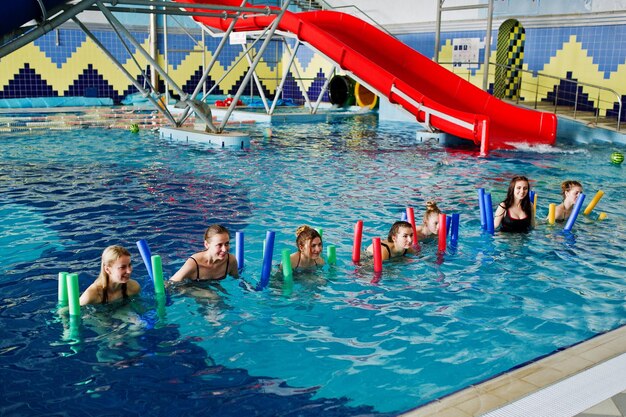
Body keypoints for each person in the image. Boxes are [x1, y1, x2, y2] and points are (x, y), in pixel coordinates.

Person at [169, 224, 239, 283]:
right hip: (191, 287)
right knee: (214, 298)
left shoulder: (230, 260)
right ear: (206, 244)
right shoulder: (194, 263)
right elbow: (171, 283)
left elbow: (237, 279)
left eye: (226, 244)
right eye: (219, 245)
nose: (224, 249)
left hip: (214, 285)